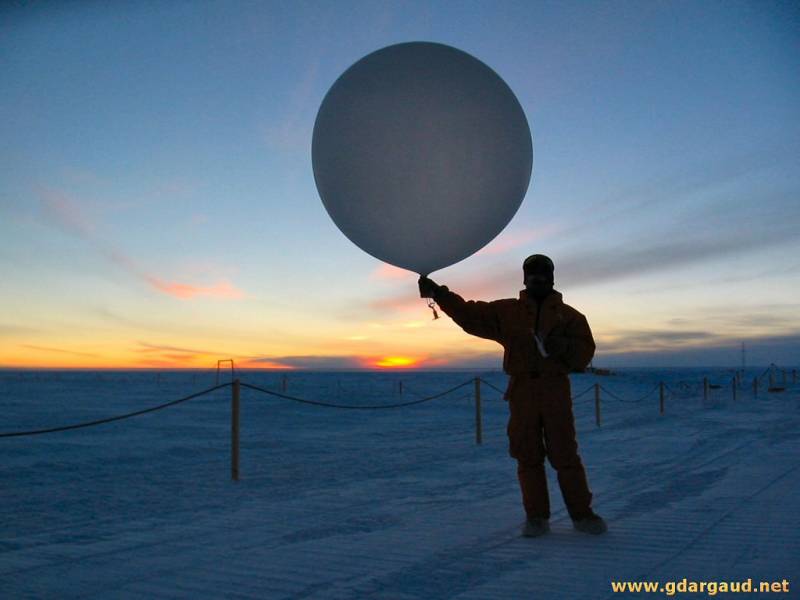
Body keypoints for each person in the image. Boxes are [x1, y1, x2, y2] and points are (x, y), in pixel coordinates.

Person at [418, 254, 607, 537]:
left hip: (555, 390)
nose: (537, 278)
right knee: (527, 455)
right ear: (524, 277)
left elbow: (584, 353)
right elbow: (471, 315)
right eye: (532, 273)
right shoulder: (508, 312)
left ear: (552, 277)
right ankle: (536, 518)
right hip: (522, 391)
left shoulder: (571, 317)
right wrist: (440, 294)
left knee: (565, 454)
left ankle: (583, 516)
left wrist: (561, 346)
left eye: (543, 273)